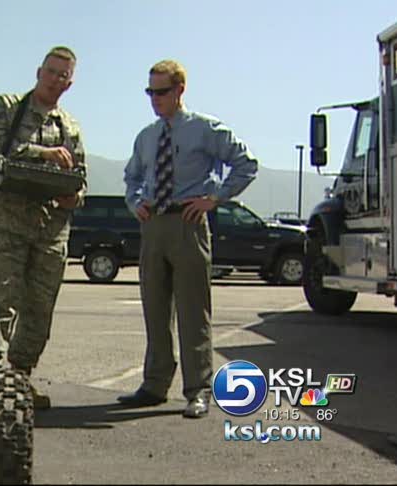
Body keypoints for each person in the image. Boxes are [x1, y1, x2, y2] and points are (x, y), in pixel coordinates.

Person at [119, 59, 257, 417]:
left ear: (180, 90)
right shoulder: (147, 137)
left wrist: (215, 199)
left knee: (193, 310)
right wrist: (136, 203)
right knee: (154, 308)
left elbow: (246, 163)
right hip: (154, 227)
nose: (155, 98)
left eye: (161, 91)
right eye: (150, 91)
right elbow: (131, 177)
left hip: (188, 224)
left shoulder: (205, 129)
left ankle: (198, 390)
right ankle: (154, 384)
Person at [0, 46, 87, 409]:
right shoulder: (9, 106)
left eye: (63, 75)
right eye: (51, 71)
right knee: (0, 301)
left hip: (51, 231)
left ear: (70, 83)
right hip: (8, 225)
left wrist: (75, 197)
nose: (55, 79)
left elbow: (79, 177)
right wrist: (44, 155)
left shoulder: (69, 126)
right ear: (39, 71)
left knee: (39, 309)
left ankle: (19, 380)